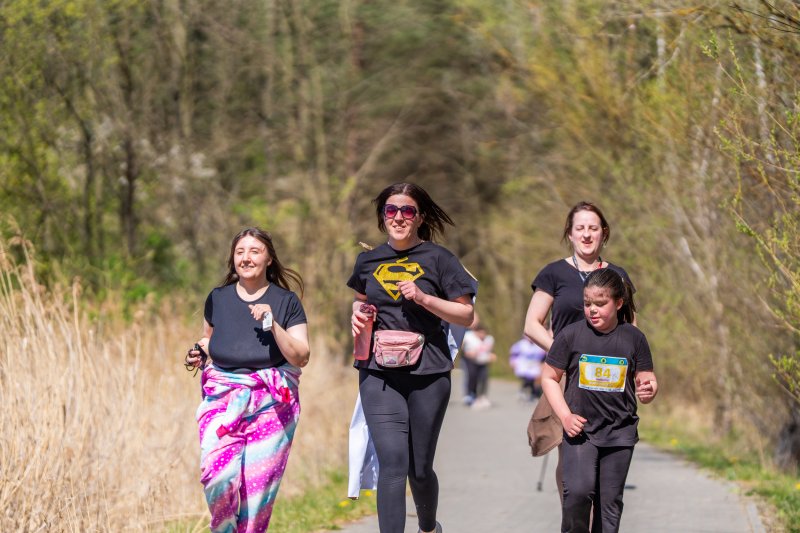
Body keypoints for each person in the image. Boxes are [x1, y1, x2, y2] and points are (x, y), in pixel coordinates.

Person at [348, 182, 476, 533]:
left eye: (407, 211)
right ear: (382, 216)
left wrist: (424, 298)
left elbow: (466, 315)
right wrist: (357, 315)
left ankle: (428, 528)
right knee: (392, 464)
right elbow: (360, 301)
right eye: (391, 210)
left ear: (419, 217)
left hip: (428, 374)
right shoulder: (368, 260)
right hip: (378, 372)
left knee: (418, 470)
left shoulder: (440, 259)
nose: (399, 217)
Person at [184, 227, 310, 533]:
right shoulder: (218, 298)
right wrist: (197, 352)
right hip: (222, 399)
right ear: (233, 258)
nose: (246, 258)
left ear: (269, 258)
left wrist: (272, 323)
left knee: (256, 493)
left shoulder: (286, 301)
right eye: (240, 252)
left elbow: (301, 356)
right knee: (217, 477)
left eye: (255, 251)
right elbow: (210, 340)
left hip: (271, 404)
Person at [523, 201, 636, 489]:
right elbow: (532, 324)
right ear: (570, 233)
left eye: (593, 228)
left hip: (608, 375)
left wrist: (638, 371)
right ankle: (572, 512)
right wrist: (562, 353)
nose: (586, 234)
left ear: (603, 233)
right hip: (567, 375)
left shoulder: (618, 276)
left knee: (604, 454)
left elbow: (632, 329)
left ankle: (598, 510)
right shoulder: (553, 273)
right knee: (571, 453)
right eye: (580, 228)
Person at [541, 268, 657, 533]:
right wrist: (565, 416)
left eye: (600, 303)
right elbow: (548, 378)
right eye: (587, 303)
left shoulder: (634, 338)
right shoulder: (570, 335)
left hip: (619, 432)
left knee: (609, 504)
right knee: (577, 493)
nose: (592, 309)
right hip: (581, 431)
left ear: (618, 303)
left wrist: (649, 390)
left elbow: (647, 378)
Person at [461, 322, 497, 409]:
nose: (482, 335)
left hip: (483, 362)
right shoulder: (468, 337)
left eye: (484, 333)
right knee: (472, 377)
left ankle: (482, 396)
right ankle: (471, 395)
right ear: (475, 332)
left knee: (484, 378)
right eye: (480, 333)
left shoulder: (489, 339)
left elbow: (490, 351)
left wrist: (492, 355)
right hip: (471, 361)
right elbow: (461, 347)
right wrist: (467, 353)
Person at [509, 335, 547, 401]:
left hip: (534, 366)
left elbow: (543, 356)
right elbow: (514, 354)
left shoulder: (538, 345)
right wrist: (512, 362)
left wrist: (542, 364)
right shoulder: (521, 344)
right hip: (523, 366)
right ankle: (525, 391)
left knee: (534, 379)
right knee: (527, 379)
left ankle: (533, 393)